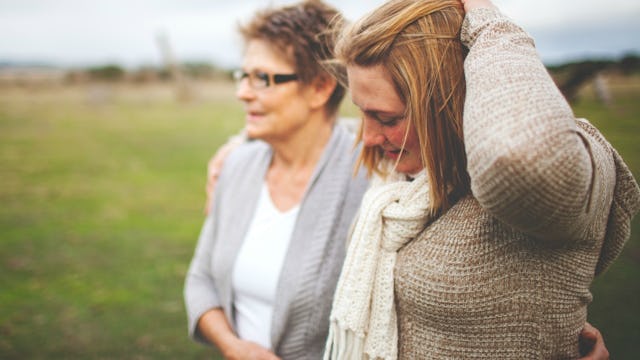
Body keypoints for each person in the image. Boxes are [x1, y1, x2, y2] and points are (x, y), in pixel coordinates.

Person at [323, 0, 640, 359]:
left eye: (387, 118)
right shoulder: (408, 185)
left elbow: (517, 157)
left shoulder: (569, 169)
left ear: (447, 101)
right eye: (363, 113)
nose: (368, 139)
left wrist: (488, 20)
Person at [183, 1, 368, 359]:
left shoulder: (371, 180)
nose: (243, 92)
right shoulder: (236, 165)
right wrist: (233, 347)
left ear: (320, 88)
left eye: (263, 79)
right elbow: (200, 280)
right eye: (244, 75)